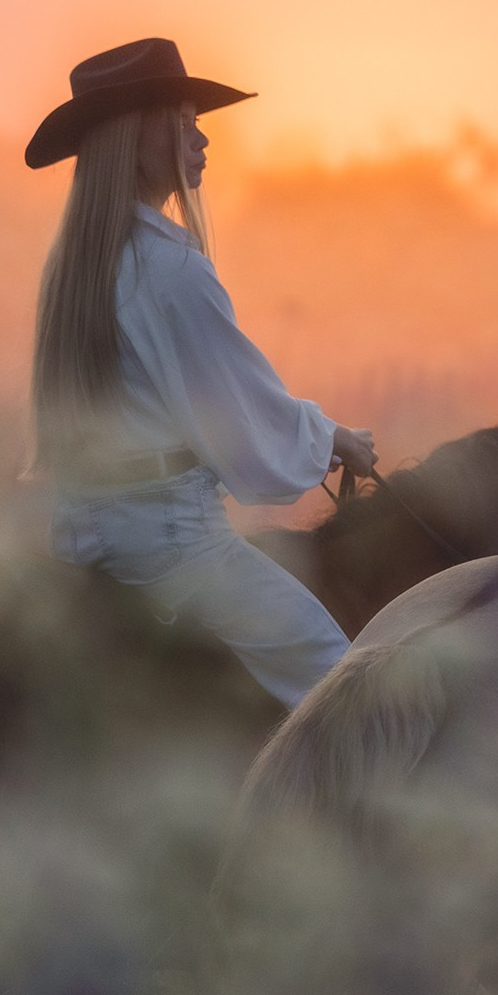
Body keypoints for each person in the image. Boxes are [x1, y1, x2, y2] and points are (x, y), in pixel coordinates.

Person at [26, 37, 376, 707]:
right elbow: (239, 410)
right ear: (137, 140)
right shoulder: (170, 269)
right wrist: (334, 439)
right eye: (182, 121)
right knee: (343, 686)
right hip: (173, 547)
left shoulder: (75, 267)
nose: (202, 138)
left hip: (83, 534)